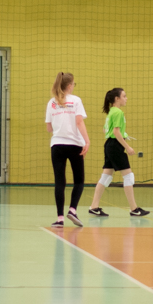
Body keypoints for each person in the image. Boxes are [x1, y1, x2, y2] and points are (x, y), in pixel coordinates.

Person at [88, 88, 149, 217]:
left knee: (106, 177)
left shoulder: (111, 111)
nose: (126, 98)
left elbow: (105, 130)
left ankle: (94, 206)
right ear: (117, 98)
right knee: (128, 176)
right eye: (124, 96)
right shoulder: (118, 112)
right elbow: (116, 132)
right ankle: (134, 209)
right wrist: (128, 147)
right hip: (115, 146)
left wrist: (123, 134)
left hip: (109, 145)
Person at [45, 72, 90, 228]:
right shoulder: (76, 100)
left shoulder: (51, 102)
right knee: (79, 180)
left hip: (57, 145)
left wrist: (60, 125)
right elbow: (79, 122)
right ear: (70, 85)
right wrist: (87, 140)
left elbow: (49, 128)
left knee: (60, 181)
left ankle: (60, 218)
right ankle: (72, 210)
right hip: (74, 144)